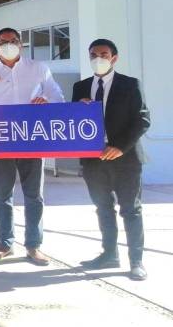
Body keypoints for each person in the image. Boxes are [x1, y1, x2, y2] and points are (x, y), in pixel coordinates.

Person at [0, 27, 64, 266]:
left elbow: (58, 97)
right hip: (0, 142)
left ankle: (34, 245)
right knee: (2, 195)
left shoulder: (39, 69)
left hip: (32, 141)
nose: (9, 44)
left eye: (13, 41)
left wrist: (47, 100)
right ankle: (5, 242)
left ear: (21, 44)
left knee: (34, 195)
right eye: (3, 42)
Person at [73, 39, 151, 281]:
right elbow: (72, 122)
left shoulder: (130, 84)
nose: (99, 58)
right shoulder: (81, 87)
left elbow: (143, 119)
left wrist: (120, 147)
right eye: (94, 54)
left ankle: (136, 262)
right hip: (94, 161)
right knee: (103, 208)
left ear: (114, 58)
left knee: (131, 210)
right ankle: (109, 254)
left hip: (125, 159)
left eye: (104, 54)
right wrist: (77, 108)